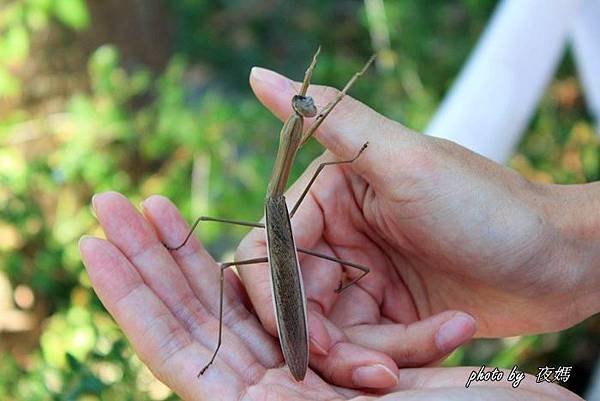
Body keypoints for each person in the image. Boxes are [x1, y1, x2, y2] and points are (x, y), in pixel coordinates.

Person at [79, 66, 597, 400]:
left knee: (258, 263)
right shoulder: (285, 196)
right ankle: (218, 345)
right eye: (302, 113)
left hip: (314, 312)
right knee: (231, 268)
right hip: (297, 312)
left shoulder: (298, 192)